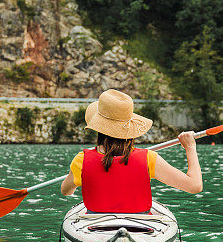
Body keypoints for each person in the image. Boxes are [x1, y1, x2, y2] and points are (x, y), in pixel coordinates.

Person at [60, 89, 202, 213]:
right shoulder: (149, 158)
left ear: (98, 128)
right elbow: (195, 186)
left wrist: (79, 175)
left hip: (95, 225)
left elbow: (66, 191)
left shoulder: (81, 160)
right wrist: (190, 148)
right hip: (139, 226)